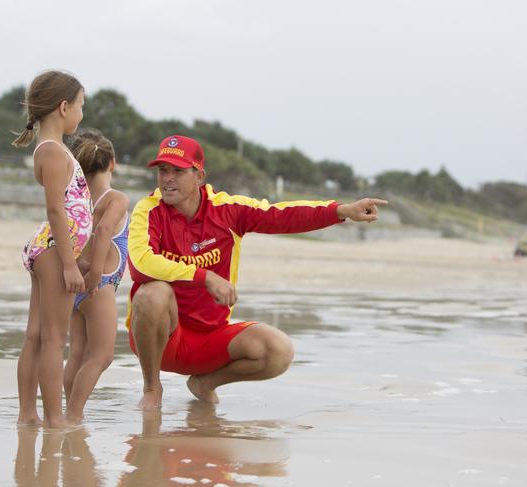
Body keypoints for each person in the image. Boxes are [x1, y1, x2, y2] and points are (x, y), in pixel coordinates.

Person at [127, 135, 388, 409]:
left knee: (279, 350)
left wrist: (341, 211)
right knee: (152, 293)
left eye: (177, 171)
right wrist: (204, 276)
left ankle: (205, 383)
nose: (167, 178)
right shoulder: (148, 210)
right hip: (161, 340)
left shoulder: (228, 209)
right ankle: (152, 388)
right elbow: (140, 262)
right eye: (162, 170)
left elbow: (281, 216)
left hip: (210, 338)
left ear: (199, 176)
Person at [13, 70, 90, 428]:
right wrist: (70, 263)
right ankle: (55, 418)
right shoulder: (55, 153)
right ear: (63, 107)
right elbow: (56, 209)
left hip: (46, 247)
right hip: (55, 250)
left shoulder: (49, 150)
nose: (81, 114)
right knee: (54, 338)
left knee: (36, 334)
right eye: (80, 106)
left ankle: (28, 415)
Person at [62, 128, 130, 425]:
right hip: (99, 284)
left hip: (75, 283)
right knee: (102, 357)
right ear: (111, 163)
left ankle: (68, 411)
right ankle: (74, 415)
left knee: (78, 353)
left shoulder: (78, 201)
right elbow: (103, 231)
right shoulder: (115, 199)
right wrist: (97, 275)